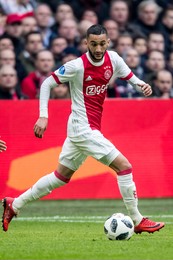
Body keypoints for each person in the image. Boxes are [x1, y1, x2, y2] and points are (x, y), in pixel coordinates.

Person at [2, 24, 165, 234]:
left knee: (60, 177)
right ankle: (137, 219)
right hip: (83, 128)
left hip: (83, 128)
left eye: (102, 44)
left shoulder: (114, 59)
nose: (98, 49)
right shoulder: (77, 66)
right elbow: (46, 84)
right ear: (86, 43)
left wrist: (143, 85)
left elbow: (132, 79)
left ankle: (14, 204)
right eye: (93, 44)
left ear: (108, 42)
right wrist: (43, 115)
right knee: (124, 166)